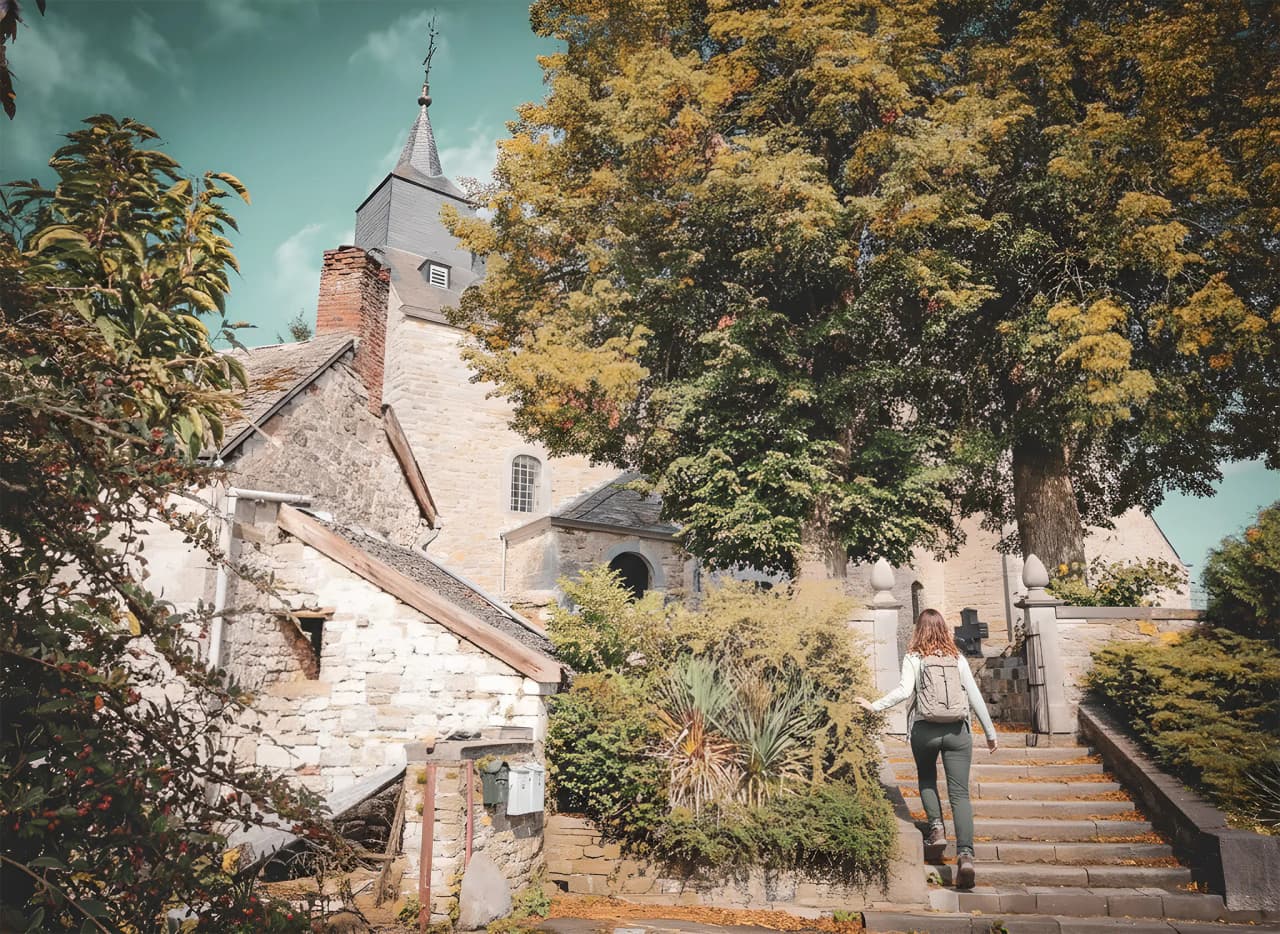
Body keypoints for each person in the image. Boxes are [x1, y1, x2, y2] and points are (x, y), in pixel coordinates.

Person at [856, 608, 998, 889]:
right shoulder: (957, 657)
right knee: (960, 795)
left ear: (918, 630)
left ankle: (936, 829)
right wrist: (990, 732)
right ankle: (966, 856)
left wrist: (874, 706)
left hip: (925, 730)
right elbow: (974, 695)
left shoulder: (915, 656)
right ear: (944, 629)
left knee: (927, 778)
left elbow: (904, 691)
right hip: (958, 732)